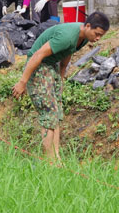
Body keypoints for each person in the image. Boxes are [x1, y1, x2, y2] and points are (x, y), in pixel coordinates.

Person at [12, 12, 109, 161]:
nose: (97, 38)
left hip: (51, 66)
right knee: (49, 113)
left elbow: (67, 52)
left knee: (56, 113)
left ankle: (56, 158)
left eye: (101, 36)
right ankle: (49, 161)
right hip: (39, 65)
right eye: (97, 34)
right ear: (88, 26)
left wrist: (60, 79)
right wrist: (22, 82)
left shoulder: (82, 38)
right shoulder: (68, 35)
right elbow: (37, 55)